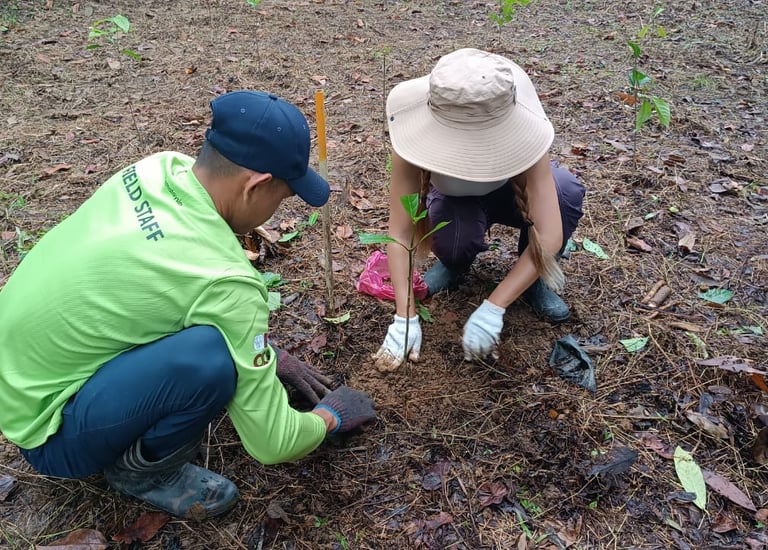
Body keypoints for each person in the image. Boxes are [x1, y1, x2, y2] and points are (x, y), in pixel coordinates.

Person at [0, 91, 376, 520]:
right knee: (213, 360)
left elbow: (155, 291)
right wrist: (329, 416)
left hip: (15, 380)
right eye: (284, 197)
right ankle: (143, 473)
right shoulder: (228, 281)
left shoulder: (155, 169)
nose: (276, 212)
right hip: (50, 435)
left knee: (210, 342)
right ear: (256, 185)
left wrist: (271, 357)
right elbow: (274, 443)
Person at [373, 48, 585, 371]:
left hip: (511, 196)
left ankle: (535, 277)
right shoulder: (412, 136)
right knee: (455, 236)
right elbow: (400, 231)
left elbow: (552, 233)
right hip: (458, 203)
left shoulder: (524, 129)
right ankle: (454, 263)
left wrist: (494, 306)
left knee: (565, 192)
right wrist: (404, 316)